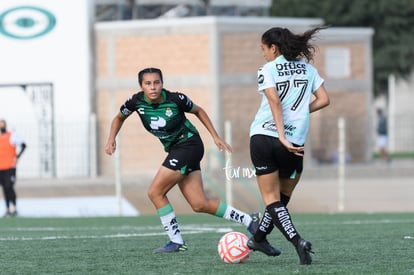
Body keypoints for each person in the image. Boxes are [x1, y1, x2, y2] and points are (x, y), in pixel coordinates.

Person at [104, 67, 260, 253]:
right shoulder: (136, 101)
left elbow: (199, 111)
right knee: (199, 203)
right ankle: (250, 220)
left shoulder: (176, 99)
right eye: (148, 83)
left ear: (162, 83)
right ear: (141, 86)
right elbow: (118, 118)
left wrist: (215, 137)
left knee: (155, 192)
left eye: (157, 82)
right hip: (177, 150)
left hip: (189, 145)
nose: (153, 87)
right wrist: (111, 138)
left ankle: (176, 241)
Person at [246, 26, 330, 265]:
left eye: (263, 48)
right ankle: (259, 238)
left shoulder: (267, 69)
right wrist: (301, 114)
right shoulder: (309, 69)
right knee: (282, 198)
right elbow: (324, 100)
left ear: (274, 47)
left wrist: (280, 134)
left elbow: (273, 100)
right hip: (295, 142)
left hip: (264, 136)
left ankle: (297, 241)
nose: (263, 53)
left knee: (272, 201)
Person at [0, 119, 26, 217]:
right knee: (4, 188)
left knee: (9, 186)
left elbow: (24, 145)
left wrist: (17, 157)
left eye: (2, 124)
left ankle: (14, 207)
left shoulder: (12, 136)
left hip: (10, 167)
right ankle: (7, 208)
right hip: (1, 167)